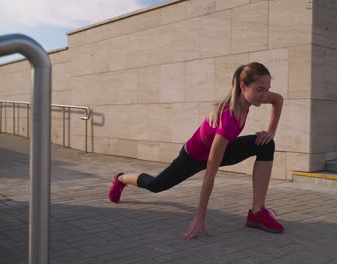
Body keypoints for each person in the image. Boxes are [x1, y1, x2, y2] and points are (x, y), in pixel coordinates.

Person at [108, 62, 284, 239]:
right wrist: (200, 217)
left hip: (221, 149)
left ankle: (257, 212)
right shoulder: (228, 119)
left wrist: (270, 132)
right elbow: (210, 172)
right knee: (156, 185)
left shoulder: (253, 98)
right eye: (260, 89)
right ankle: (121, 178)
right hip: (192, 157)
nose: (265, 95)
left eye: (267, 89)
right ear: (243, 86)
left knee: (266, 144)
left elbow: (278, 99)